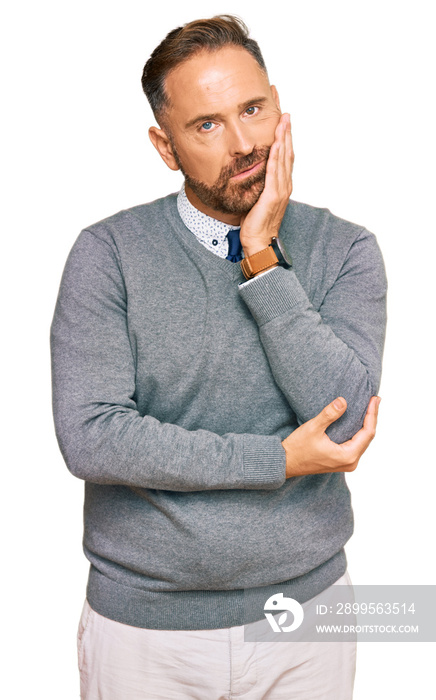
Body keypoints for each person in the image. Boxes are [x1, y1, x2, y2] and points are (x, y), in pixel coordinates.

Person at [51, 14, 387, 700]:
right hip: (146, 633)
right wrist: (278, 461)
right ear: (164, 146)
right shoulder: (107, 255)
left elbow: (347, 422)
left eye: (253, 110)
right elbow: (92, 437)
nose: (243, 144)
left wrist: (261, 259)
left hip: (305, 621)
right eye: (206, 125)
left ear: (278, 108)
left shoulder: (346, 250)